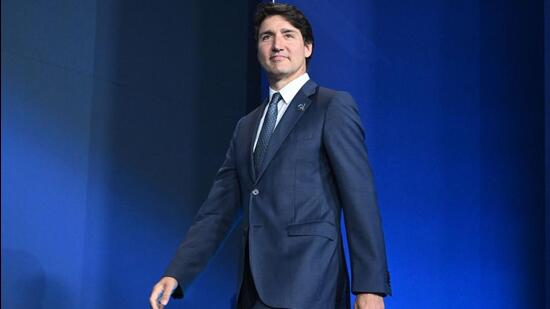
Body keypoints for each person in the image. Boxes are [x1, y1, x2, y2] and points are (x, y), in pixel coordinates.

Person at [150, 3, 391, 309]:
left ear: (307, 47)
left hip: (313, 284)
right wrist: (177, 273)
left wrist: (370, 287)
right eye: (267, 37)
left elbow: (360, 198)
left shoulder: (331, 106)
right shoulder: (246, 126)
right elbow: (217, 211)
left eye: (287, 35)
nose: (277, 44)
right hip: (252, 292)